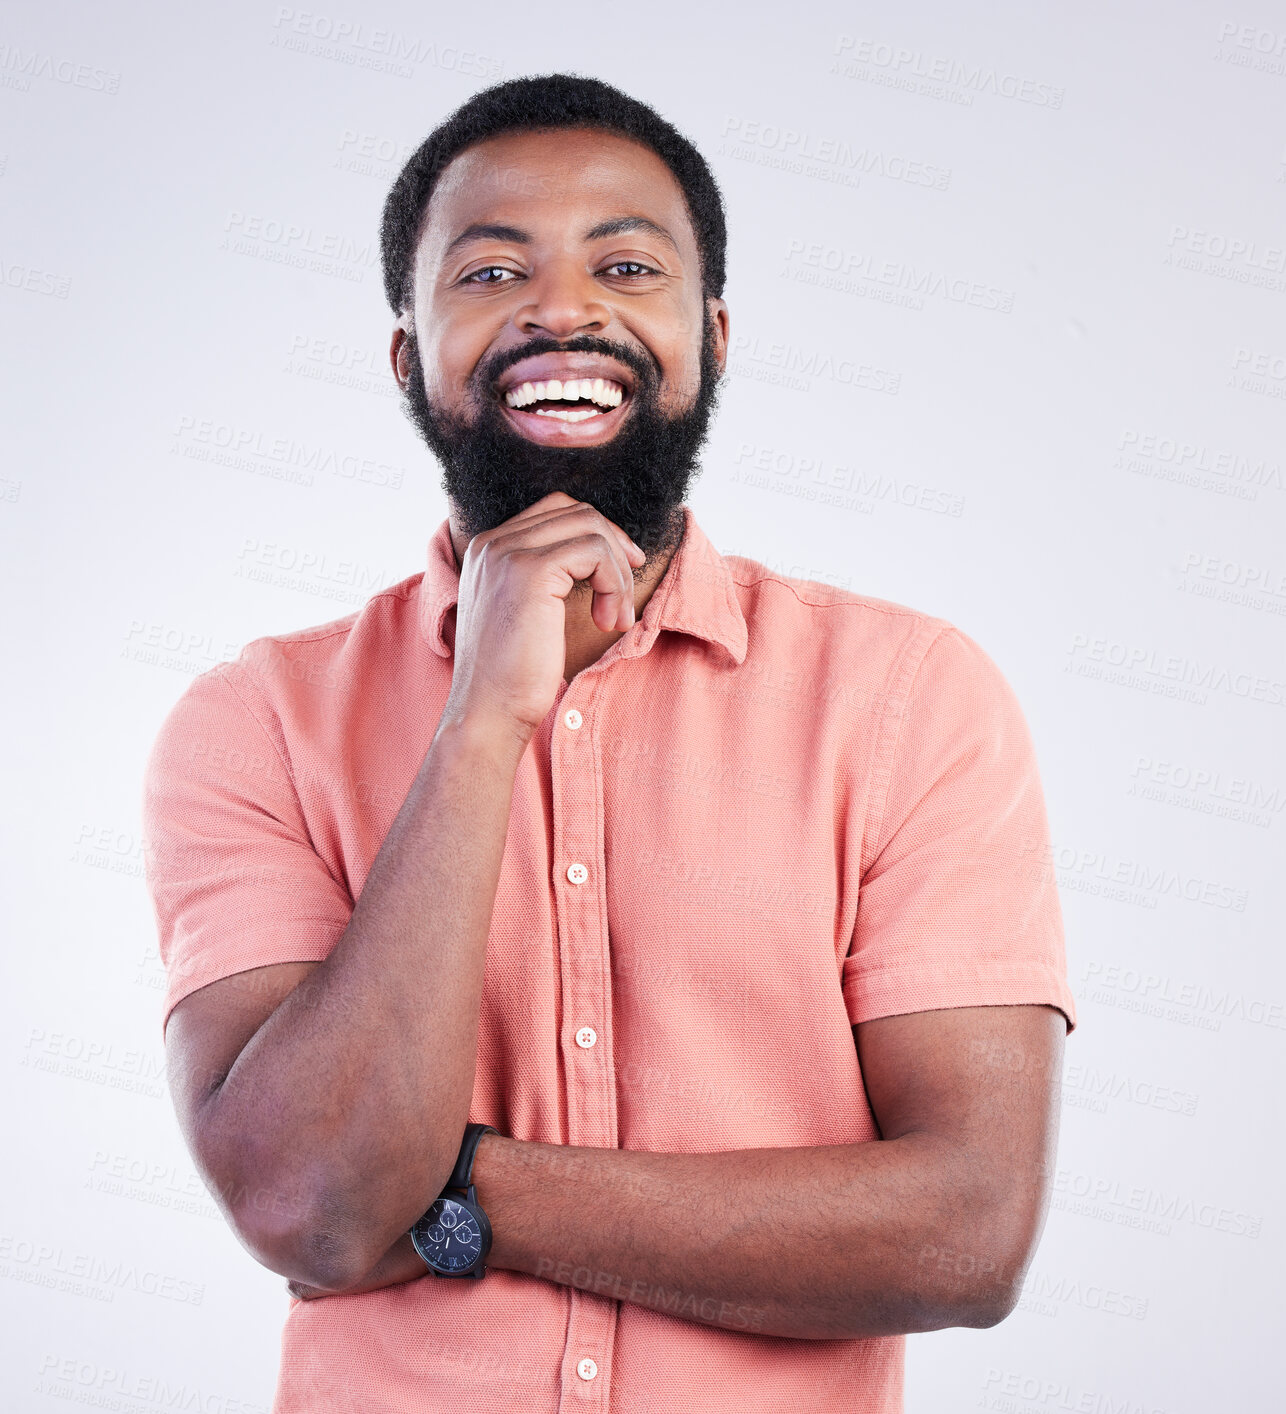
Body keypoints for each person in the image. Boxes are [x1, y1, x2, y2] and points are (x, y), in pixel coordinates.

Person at [141, 72, 1076, 1414]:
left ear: (710, 334)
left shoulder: (909, 694)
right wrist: (482, 722)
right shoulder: (257, 720)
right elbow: (310, 1202)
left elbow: (964, 1231)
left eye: (625, 264)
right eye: (489, 269)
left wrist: (459, 1187)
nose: (562, 308)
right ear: (409, 353)